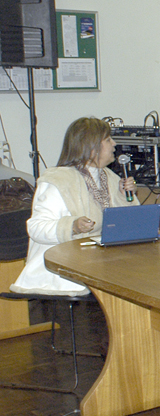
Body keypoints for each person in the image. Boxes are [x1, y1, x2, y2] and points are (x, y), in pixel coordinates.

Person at [11, 117, 136, 296]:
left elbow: (125, 227)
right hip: (63, 271)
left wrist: (124, 197)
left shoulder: (109, 177)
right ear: (91, 147)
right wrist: (72, 226)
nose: (114, 144)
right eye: (108, 139)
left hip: (100, 262)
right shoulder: (58, 180)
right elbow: (36, 227)